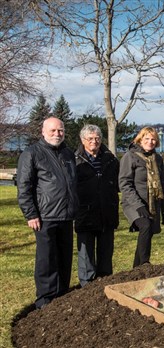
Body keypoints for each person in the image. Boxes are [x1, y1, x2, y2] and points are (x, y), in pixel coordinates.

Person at [16, 117, 78, 309]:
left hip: (66, 215)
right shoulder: (32, 153)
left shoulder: (68, 154)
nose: (57, 134)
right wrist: (30, 214)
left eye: (60, 130)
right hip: (45, 216)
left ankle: (61, 294)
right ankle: (45, 299)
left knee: (65, 258)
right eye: (53, 131)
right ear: (43, 132)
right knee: (47, 260)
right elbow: (24, 186)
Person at [75, 125, 119, 286]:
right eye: (90, 138)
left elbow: (119, 183)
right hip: (85, 213)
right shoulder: (76, 160)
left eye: (97, 138)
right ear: (83, 140)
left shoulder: (111, 159)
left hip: (107, 211)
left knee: (106, 253)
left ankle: (105, 281)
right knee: (85, 255)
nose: (94, 141)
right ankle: (87, 285)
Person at [119, 127, 164, 267]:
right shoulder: (130, 156)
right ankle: (145, 264)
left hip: (153, 202)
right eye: (147, 138)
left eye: (153, 139)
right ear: (140, 140)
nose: (150, 142)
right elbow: (125, 184)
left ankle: (136, 268)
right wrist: (138, 206)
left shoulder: (157, 159)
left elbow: (163, 185)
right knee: (145, 226)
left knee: (147, 234)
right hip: (134, 203)